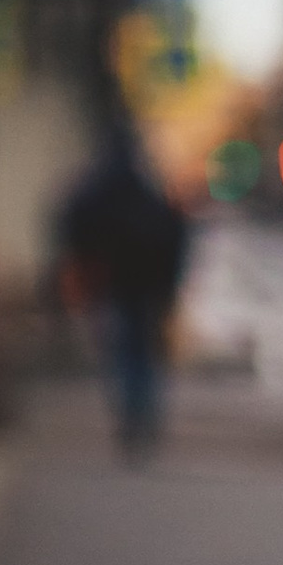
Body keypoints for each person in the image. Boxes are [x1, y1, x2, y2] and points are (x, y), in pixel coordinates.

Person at [55, 123, 190, 456]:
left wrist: (84, 263)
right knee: (143, 350)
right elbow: (175, 234)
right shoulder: (149, 192)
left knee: (123, 349)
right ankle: (144, 412)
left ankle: (131, 414)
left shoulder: (98, 190)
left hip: (112, 282)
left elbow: (71, 220)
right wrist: (171, 284)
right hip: (147, 286)